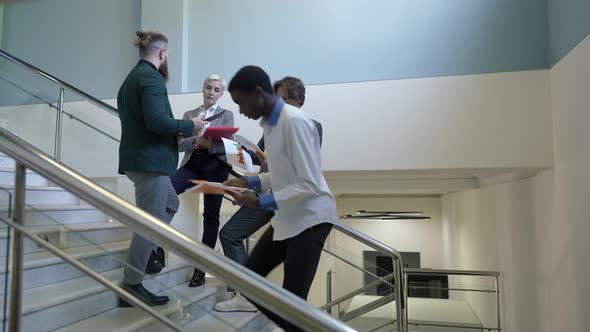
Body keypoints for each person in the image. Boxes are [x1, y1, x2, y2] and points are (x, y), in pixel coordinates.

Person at [224, 66, 337, 332]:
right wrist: (248, 182)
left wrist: (260, 202)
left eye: (241, 102)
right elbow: (280, 174)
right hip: (288, 217)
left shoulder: (295, 121)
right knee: (248, 283)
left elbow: (308, 183)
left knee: (292, 307)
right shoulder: (271, 125)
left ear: (259, 93)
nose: (241, 111)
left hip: (311, 219)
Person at [116, 30, 206, 307]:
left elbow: (149, 128)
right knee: (149, 223)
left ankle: (150, 249)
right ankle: (131, 285)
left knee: (169, 203)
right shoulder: (151, 79)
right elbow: (157, 121)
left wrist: (189, 140)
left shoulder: (133, 78)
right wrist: (191, 124)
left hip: (145, 160)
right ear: (163, 53)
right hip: (149, 165)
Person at [170, 74, 234, 287]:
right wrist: (195, 140)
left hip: (215, 168)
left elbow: (228, 145)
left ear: (221, 94)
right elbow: (178, 144)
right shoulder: (189, 115)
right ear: (203, 89)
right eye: (209, 88)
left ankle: (200, 270)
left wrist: (210, 146)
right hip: (192, 165)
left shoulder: (227, 115)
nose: (211, 92)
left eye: (216, 90)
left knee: (211, 216)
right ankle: (156, 246)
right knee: (166, 192)